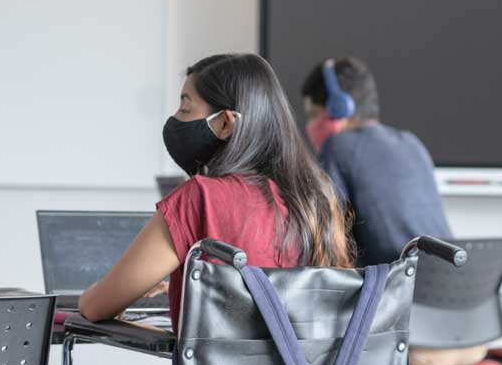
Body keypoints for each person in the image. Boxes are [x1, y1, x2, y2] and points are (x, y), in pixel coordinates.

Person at [80, 53, 353, 331]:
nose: (175, 119)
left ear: (225, 123)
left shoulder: (199, 197)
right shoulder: (317, 196)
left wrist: (91, 294)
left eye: (185, 109)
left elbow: (96, 307)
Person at [302, 58, 475, 365]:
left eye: (314, 115)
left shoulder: (338, 147)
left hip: (408, 337)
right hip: (468, 335)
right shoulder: (412, 144)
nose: (310, 126)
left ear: (340, 108)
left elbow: (326, 244)